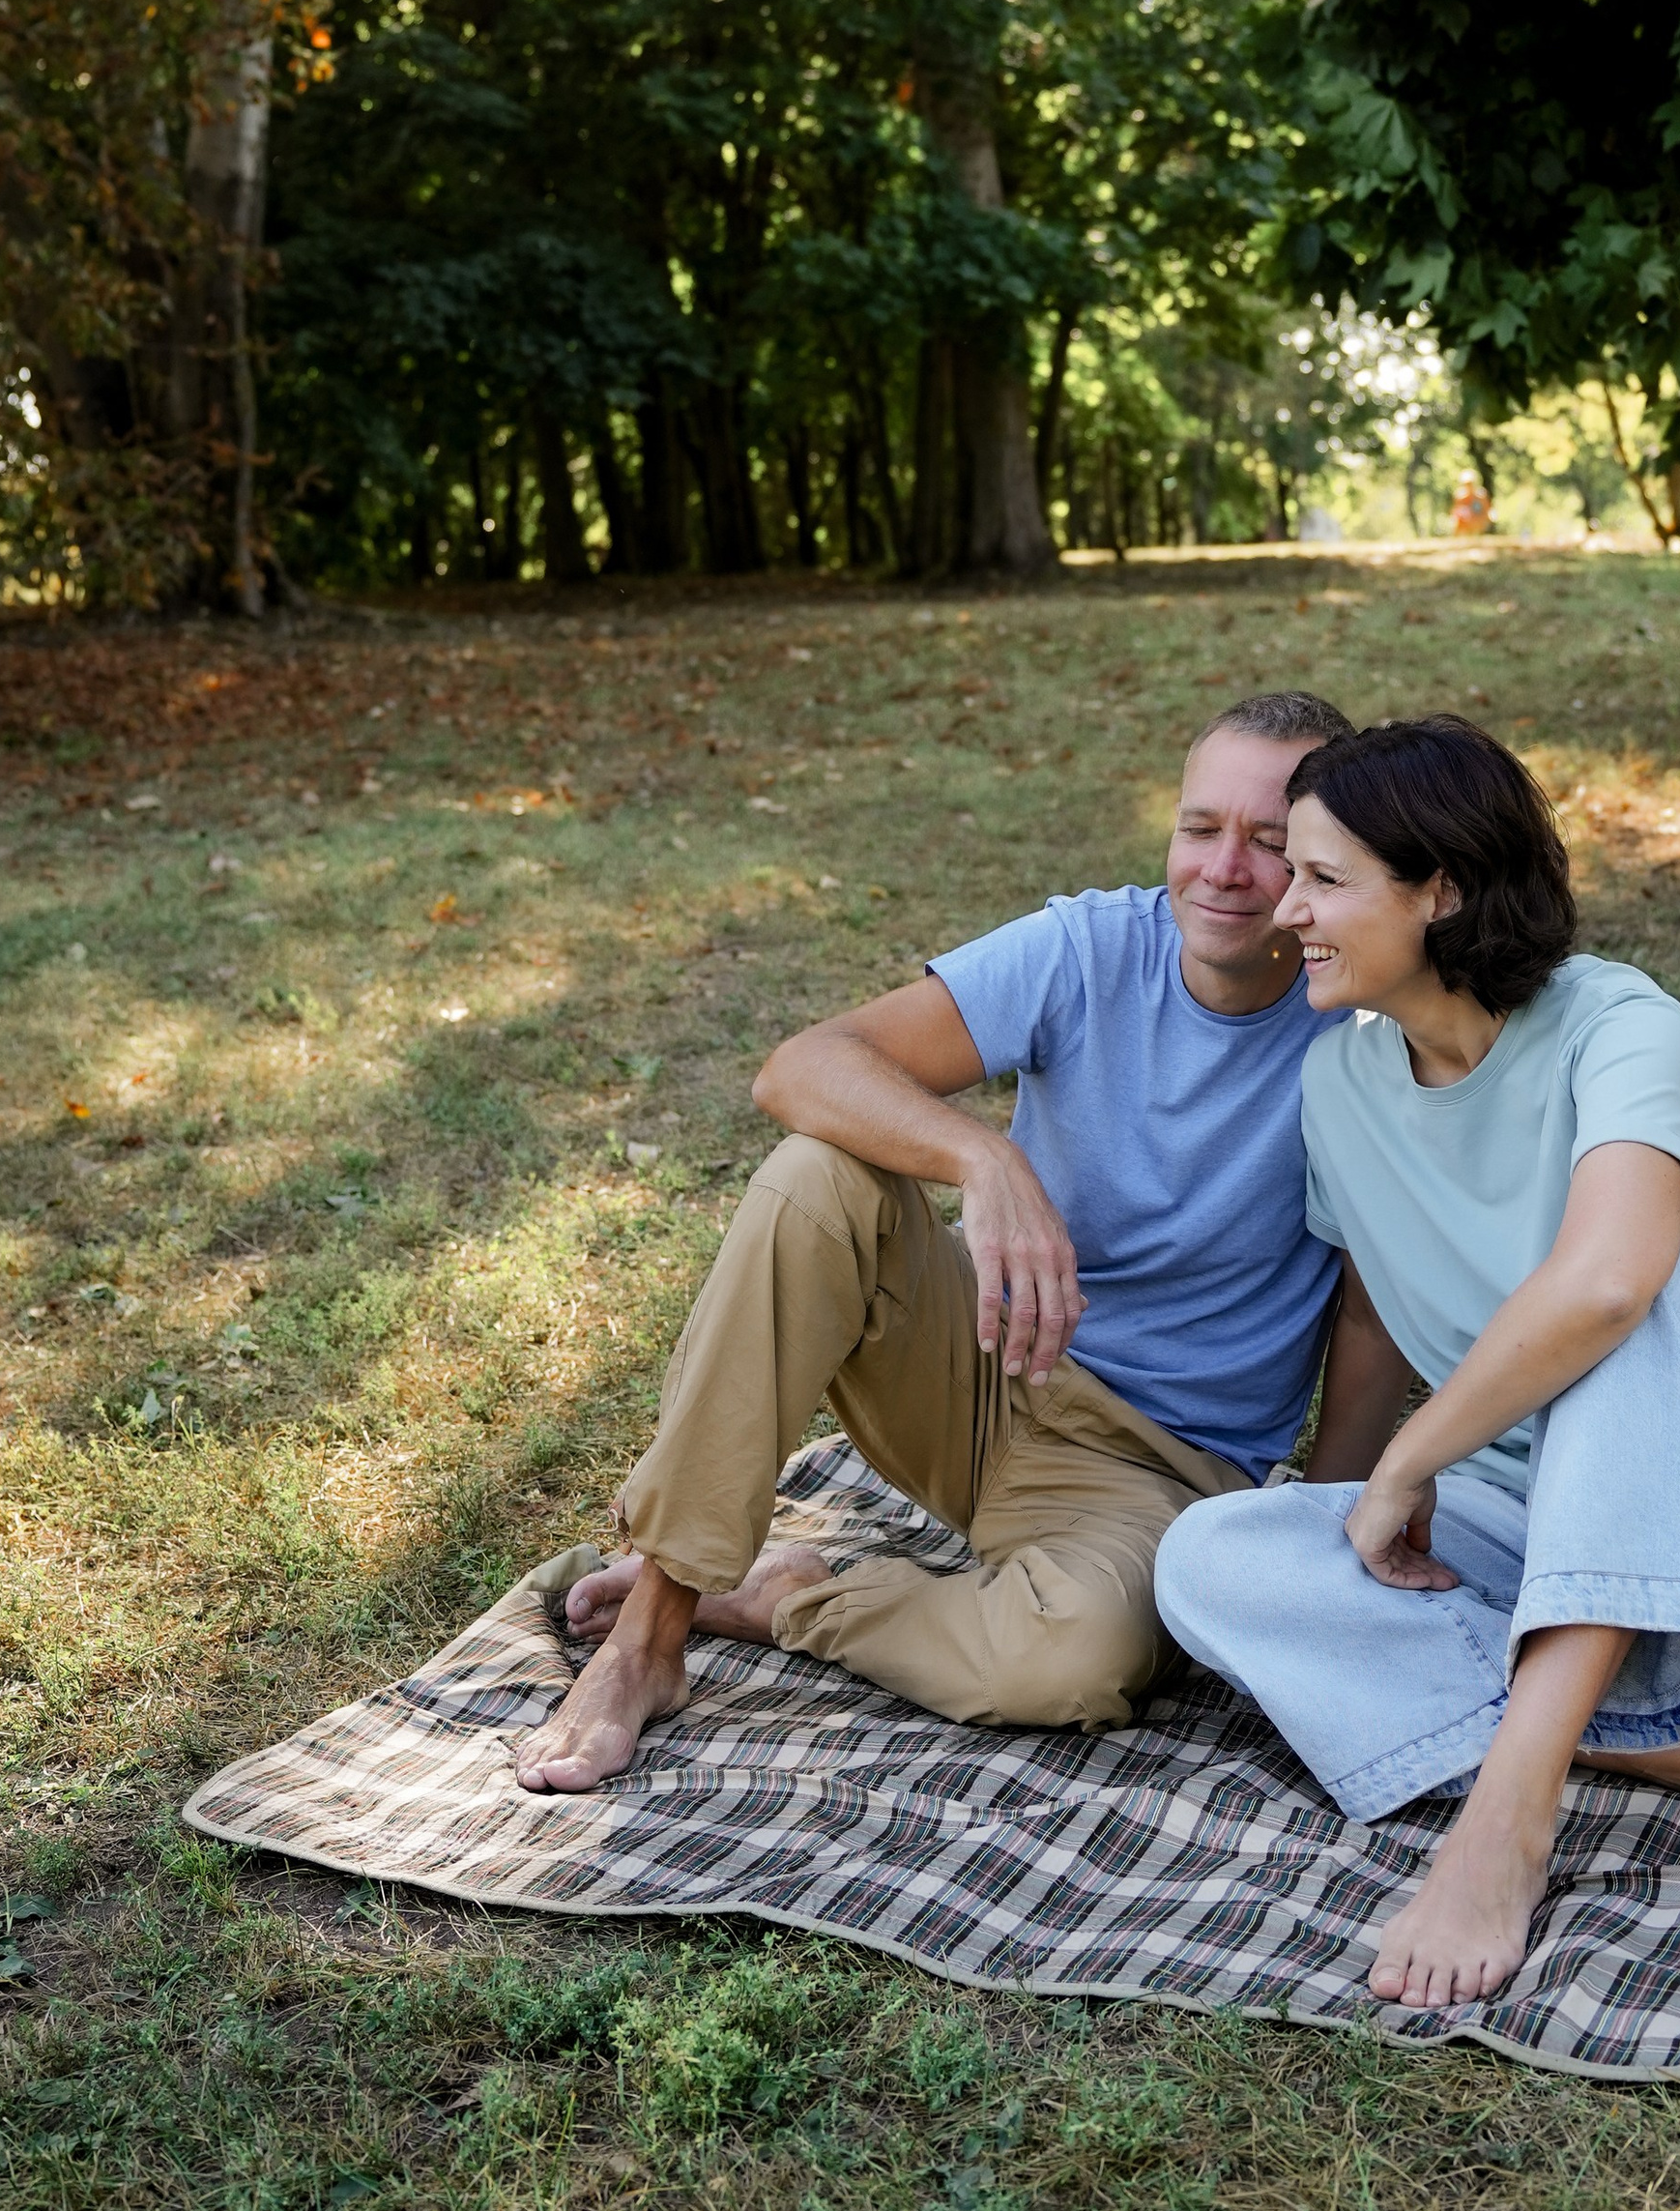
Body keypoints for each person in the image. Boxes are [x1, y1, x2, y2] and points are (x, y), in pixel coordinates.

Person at [513, 687, 1409, 1794]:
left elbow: (1373, 1317)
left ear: (1329, 864)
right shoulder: (1088, 948)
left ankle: (792, 1595)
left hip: (1153, 1475)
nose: (1224, 870)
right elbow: (801, 1067)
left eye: (1273, 845)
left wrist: (1310, 1544)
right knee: (814, 1180)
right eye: (1198, 828)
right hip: (985, 1364)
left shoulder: (1369, 1037)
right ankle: (649, 1636)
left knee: (1075, 1661)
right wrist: (984, 1161)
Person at [1153, 714, 1680, 2008]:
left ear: (1439, 889)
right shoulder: (1340, 1082)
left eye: (1324, 878)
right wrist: (1339, 1506)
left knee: (1623, 1311)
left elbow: (1608, 1282)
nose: (1284, 909)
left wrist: (1413, 1462)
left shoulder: (1614, 1019)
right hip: (1529, 1510)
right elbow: (1375, 1320)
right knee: (1208, 1559)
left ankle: (1510, 1821)